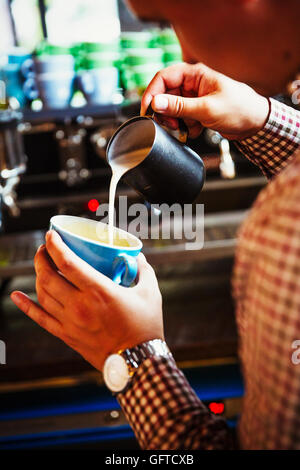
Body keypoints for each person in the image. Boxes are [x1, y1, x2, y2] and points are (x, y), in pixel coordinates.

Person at [10, 0, 300, 449]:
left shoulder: (286, 224)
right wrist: (260, 119)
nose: (184, 53)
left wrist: (132, 352)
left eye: (169, 21)